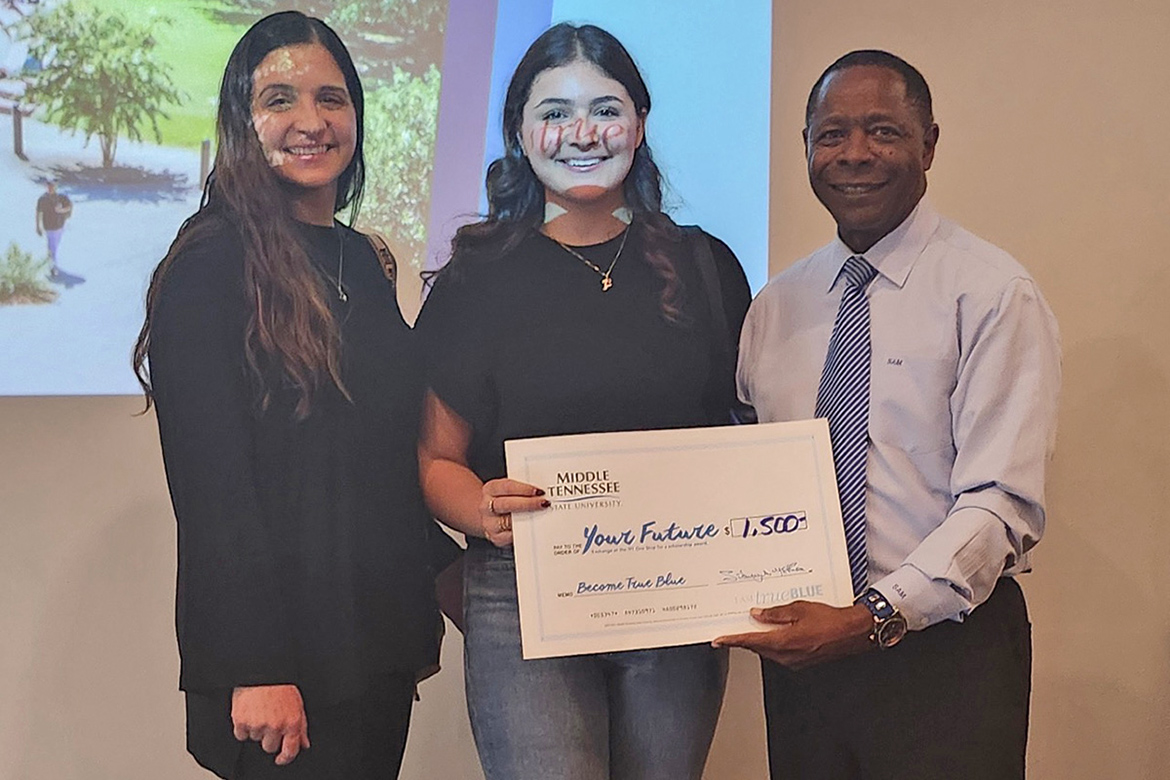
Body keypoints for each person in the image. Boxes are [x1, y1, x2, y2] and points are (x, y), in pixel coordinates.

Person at [415, 23, 751, 780]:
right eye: (555, 112)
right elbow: (435, 459)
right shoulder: (476, 279)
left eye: (605, 110)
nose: (583, 133)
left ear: (640, 123)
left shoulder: (706, 266)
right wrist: (480, 510)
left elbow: (745, 435)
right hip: (524, 590)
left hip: (676, 591)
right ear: (520, 132)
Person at [715, 50, 1061, 779]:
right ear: (806, 148)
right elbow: (743, 475)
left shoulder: (992, 293)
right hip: (807, 664)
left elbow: (1001, 504)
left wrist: (873, 614)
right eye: (832, 134)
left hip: (946, 655)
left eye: (883, 131)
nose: (855, 153)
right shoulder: (776, 307)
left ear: (928, 144)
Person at [131, 12, 443, 779]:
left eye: (331, 99)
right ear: (243, 122)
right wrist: (256, 665)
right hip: (281, 670)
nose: (311, 121)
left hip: (372, 646)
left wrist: (458, 574)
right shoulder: (210, 265)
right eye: (279, 100)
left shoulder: (362, 261)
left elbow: (376, 455)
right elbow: (214, 486)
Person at [35, 179, 72, 276]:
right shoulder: (42, 199)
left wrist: (61, 210)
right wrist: (38, 226)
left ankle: (51, 262)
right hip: (49, 226)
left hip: (60, 226)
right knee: (52, 246)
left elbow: (69, 207)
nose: (51, 187)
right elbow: (38, 213)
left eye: (53, 185)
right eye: (49, 185)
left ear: (56, 186)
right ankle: (52, 267)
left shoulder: (61, 197)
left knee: (55, 245)